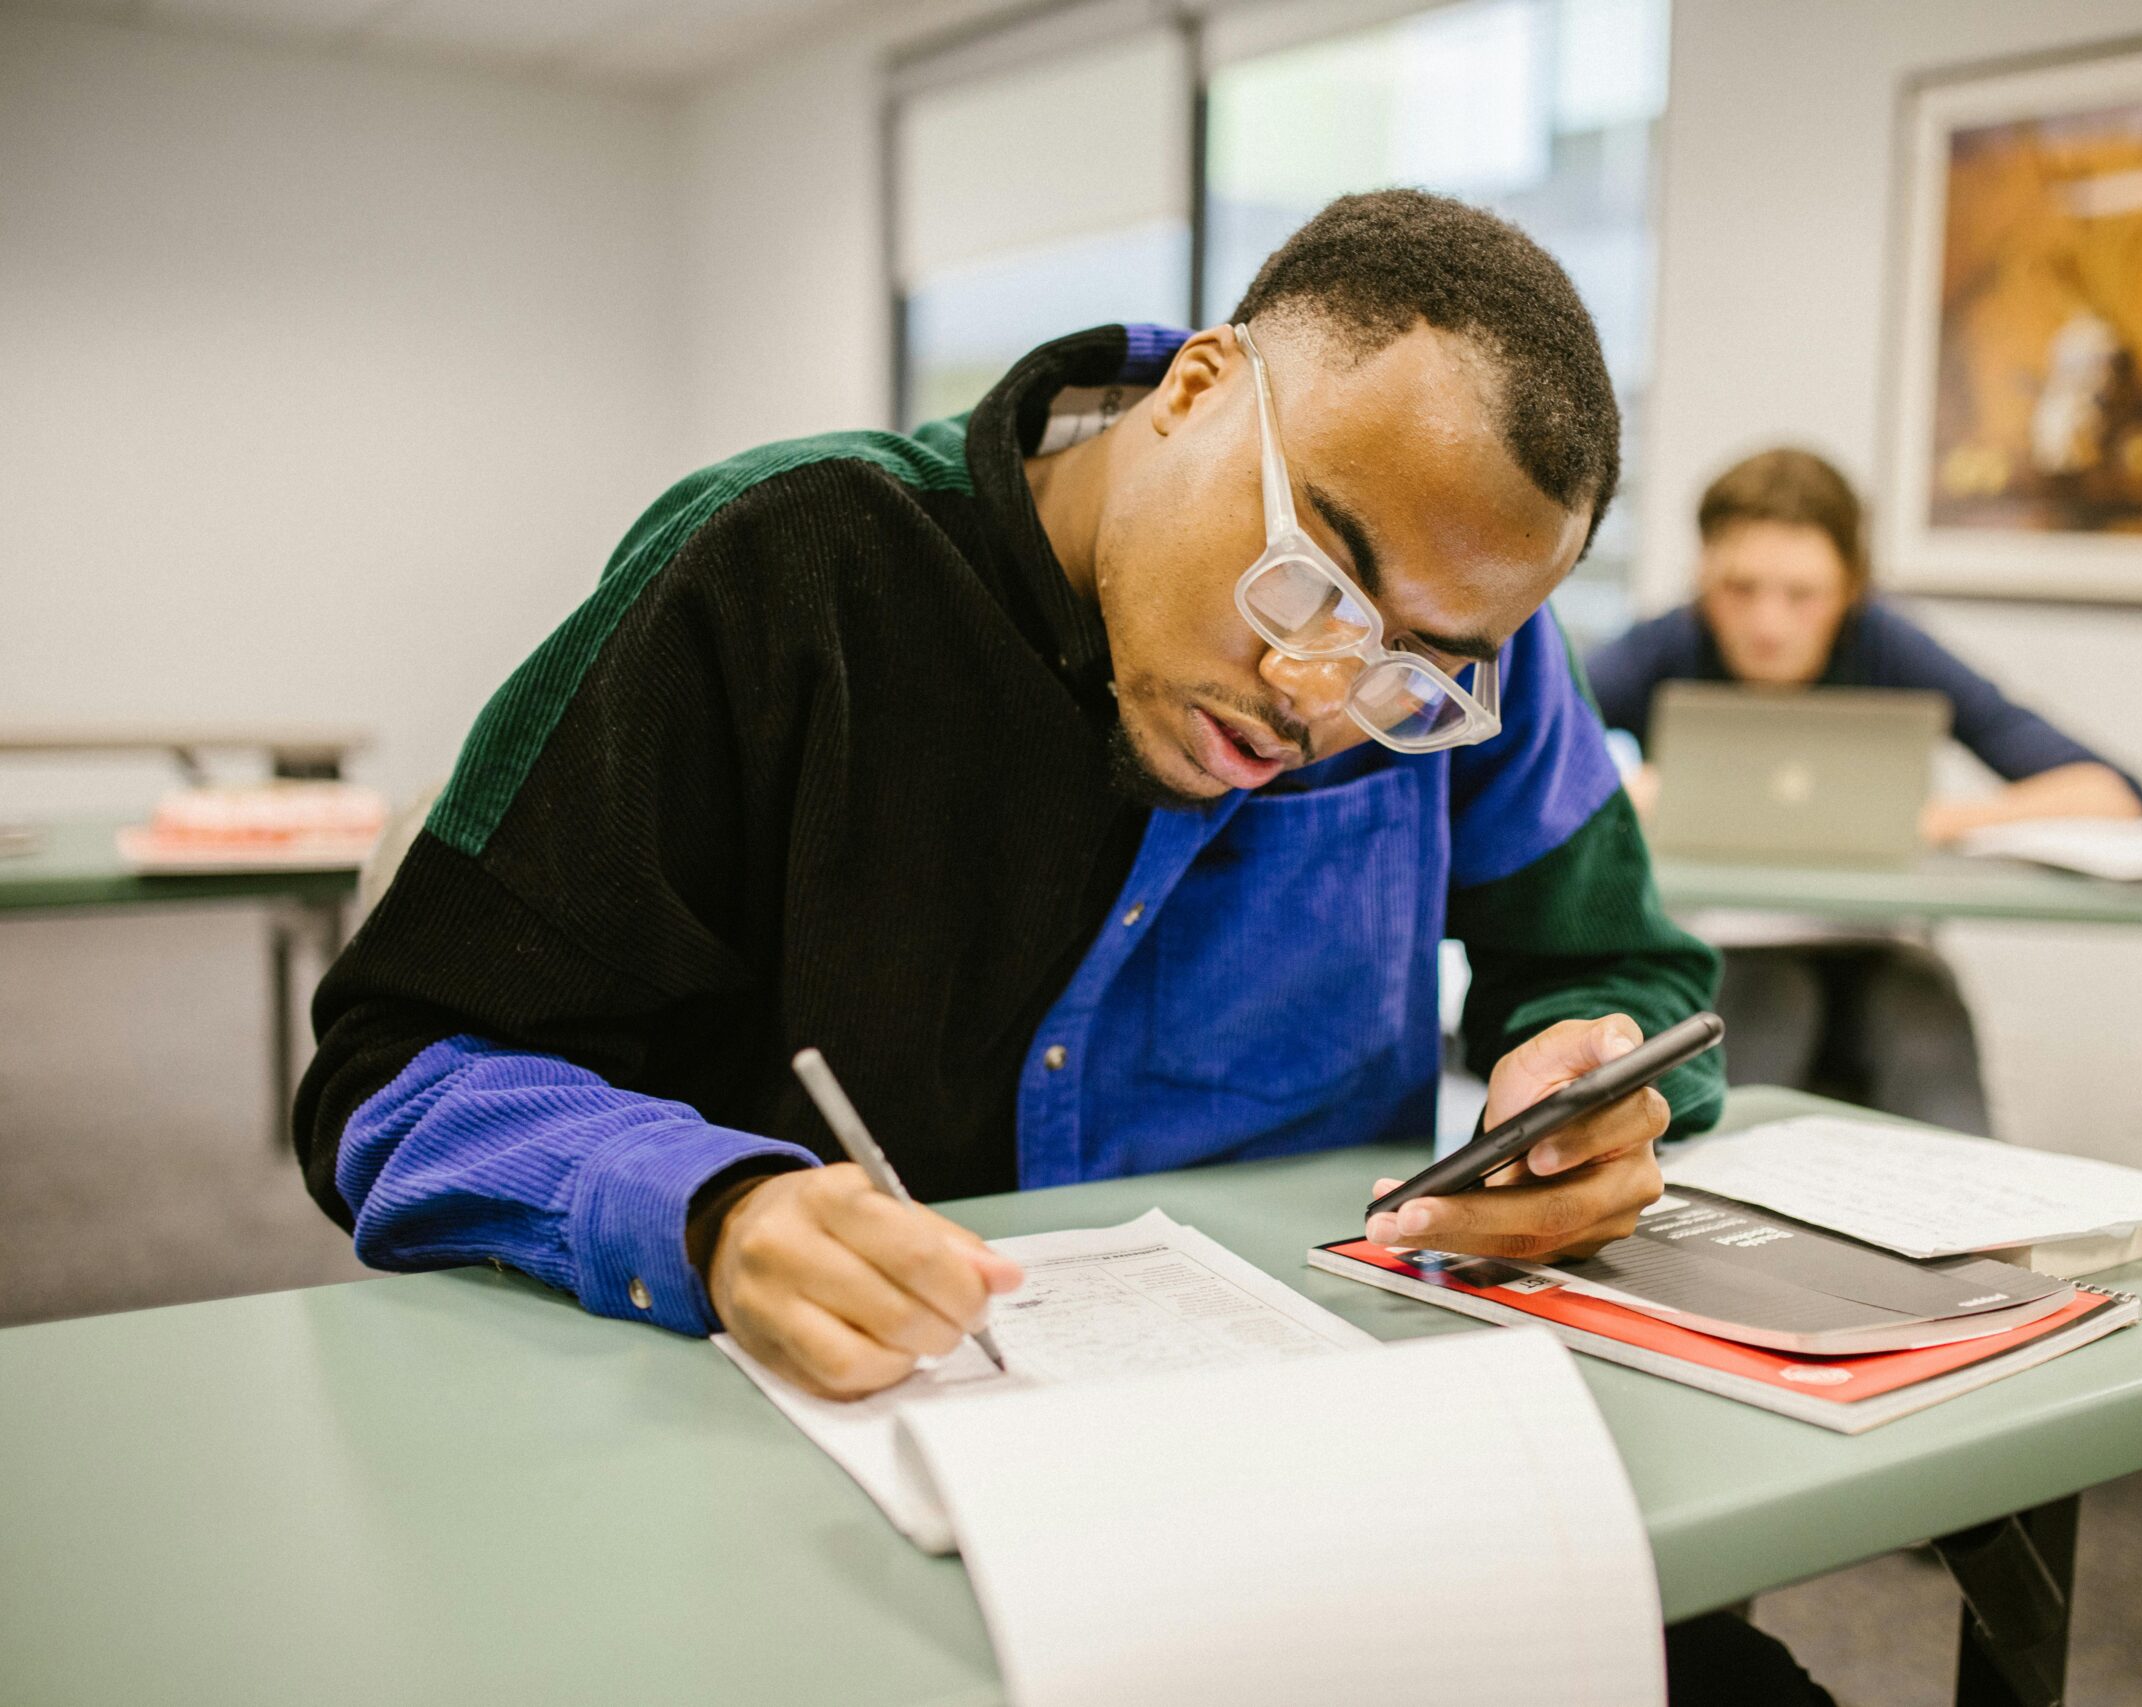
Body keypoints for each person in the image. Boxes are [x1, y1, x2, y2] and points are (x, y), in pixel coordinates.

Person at [296, 191, 1833, 1702]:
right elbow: (396, 1071)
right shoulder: (787, 569)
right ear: (1197, 390)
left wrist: (1588, 1070)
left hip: (1305, 1477)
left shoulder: (1450, 662)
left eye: (1415, 670)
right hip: (824, 1493)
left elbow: (1620, 969)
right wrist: (712, 1212)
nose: (1317, 692)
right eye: (1315, 576)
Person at [1584, 447, 2142, 1133]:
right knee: (1750, 1034)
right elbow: (1506, 752)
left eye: (1802, 595)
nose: (1768, 623)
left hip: (1881, 951)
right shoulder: (1664, 647)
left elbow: (2115, 794)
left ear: (1851, 587)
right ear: (1703, 572)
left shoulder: (1889, 645)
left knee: (1928, 1044)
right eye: (1739, 588)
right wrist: (1620, 792)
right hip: (1729, 947)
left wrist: (1940, 819)